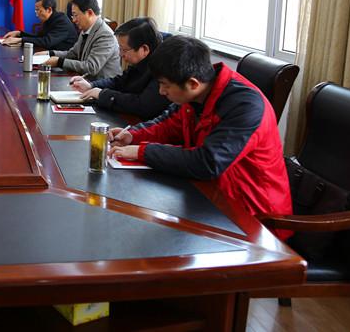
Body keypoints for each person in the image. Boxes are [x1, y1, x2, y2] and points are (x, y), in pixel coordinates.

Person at [108, 35, 292, 239]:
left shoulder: (246, 107)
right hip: (209, 199)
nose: (161, 92)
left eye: (165, 85)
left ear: (193, 83)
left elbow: (208, 162)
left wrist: (142, 152)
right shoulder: (198, 93)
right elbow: (169, 125)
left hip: (254, 221)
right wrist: (132, 135)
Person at [69, 17, 170, 120]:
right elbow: (119, 81)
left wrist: (102, 94)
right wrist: (91, 85)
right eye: (120, 49)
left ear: (144, 49)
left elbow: (143, 105)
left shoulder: (163, 68)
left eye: (124, 50)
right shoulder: (140, 61)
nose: (120, 54)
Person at [37, 0, 121, 79]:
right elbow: (72, 54)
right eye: (72, 16)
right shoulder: (86, 29)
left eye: (75, 15)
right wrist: (49, 53)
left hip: (100, 84)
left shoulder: (105, 35)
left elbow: (91, 67)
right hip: (84, 80)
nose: (73, 20)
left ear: (89, 13)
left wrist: (59, 62)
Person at [0, 0, 77, 51]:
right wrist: (19, 33)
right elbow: (39, 37)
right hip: (49, 53)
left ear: (49, 10)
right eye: (35, 10)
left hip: (62, 59)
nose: (36, 15)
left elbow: (46, 42)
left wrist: (20, 40)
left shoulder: (62, 21)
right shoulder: (49, 19)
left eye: (38, 10)